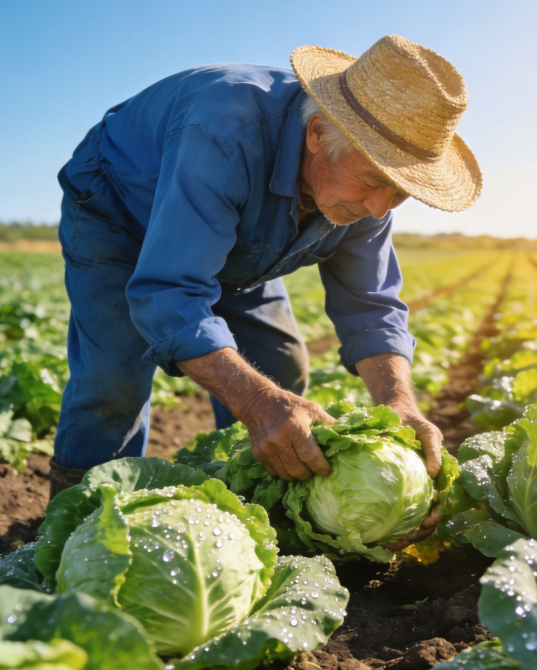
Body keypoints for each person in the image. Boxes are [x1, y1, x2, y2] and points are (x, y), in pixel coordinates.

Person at [50, 34, 482, 550]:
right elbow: (169, 291)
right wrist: (257, 403)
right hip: (122, 212)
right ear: (318, 133)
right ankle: (76, 529)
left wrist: (400, 404)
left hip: (246, 235)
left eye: (401, 193)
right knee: (114, 378)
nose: (379, 208)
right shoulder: (223, 131)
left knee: (279, 361)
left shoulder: (368, 195)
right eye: (373, 181)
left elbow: (371, 306)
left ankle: (244, 509)